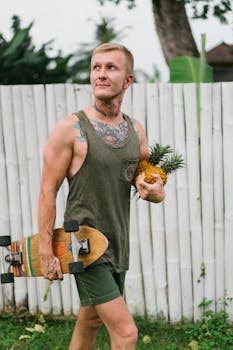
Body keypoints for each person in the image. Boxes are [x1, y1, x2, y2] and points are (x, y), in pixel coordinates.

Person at [38, 43, 166, 350]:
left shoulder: (135, 131)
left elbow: (146, 186)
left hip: (118, 244)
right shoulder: (70, 129)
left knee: (91, 320)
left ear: (128, 80)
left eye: (111, 68)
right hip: (83, 246)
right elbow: (47, 190)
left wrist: (156, 193)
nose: (101, 74)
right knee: (126, 334)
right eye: (97, 67)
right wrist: (46, 251)